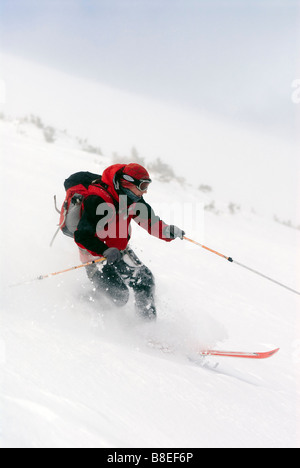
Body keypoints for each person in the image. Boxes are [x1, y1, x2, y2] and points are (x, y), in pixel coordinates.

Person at [74, 163, 185, 320]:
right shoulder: (97, 199)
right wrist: (103, 250)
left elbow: (150, 222)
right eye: (142, 185)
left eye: (147, 185)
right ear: (127, 182)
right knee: (118, 296)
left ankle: (147, 331)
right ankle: (80, 306)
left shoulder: (133, 200)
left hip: (120, 251)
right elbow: (82, 236)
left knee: (145, 282)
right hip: (96, 256)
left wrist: (167, 231)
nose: (145, 191)